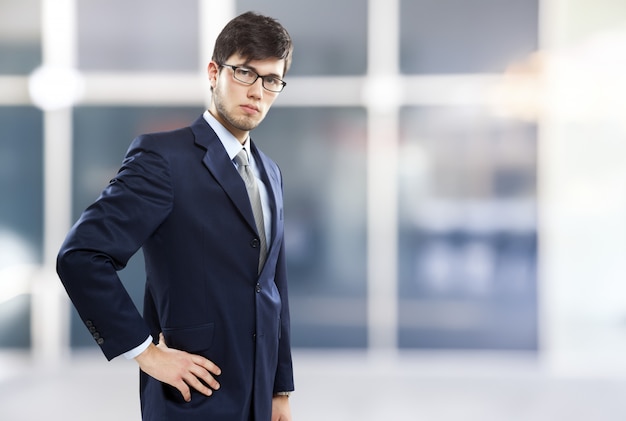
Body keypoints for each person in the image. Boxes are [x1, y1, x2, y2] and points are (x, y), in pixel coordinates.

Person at [56, 11, 295, 421]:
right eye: (245, 73)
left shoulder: (269, 172)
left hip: (257, 399)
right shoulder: (163, 158)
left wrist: (279, 390)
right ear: (214, 72)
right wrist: (145, 353)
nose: (258, 91)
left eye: (271, 80)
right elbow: (80, 256)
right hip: (190, 397)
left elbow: (273, 287)